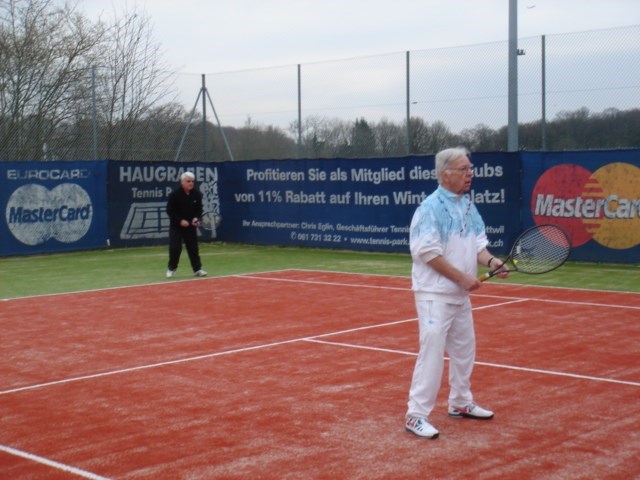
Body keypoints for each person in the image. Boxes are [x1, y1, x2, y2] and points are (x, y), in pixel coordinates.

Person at [404, 147, 508, 439]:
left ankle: (460, 402)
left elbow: (478, 246)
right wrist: (462, 278)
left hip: (459, 296)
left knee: (465, 350)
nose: (470, 174)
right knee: (432, 353)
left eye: (470, 169)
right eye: (463, 169)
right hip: (434, 295)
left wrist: (492, 261)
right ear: (444, 174)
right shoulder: (429, 209)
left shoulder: (469, 206)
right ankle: (415, 415)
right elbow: (428, 253)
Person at [165, 171, 207, 278]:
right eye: (188, 181)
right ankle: (171, 268)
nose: (191, 183)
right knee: (175, 248)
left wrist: (196, 218)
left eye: (192, 181)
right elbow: (170, 211)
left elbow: (199, 210)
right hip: (176, 226)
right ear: (182, 182)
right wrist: (180, 221)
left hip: (190, 227)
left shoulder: (197, 194)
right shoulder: (174, 195)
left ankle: (197, 269)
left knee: (193, 248)